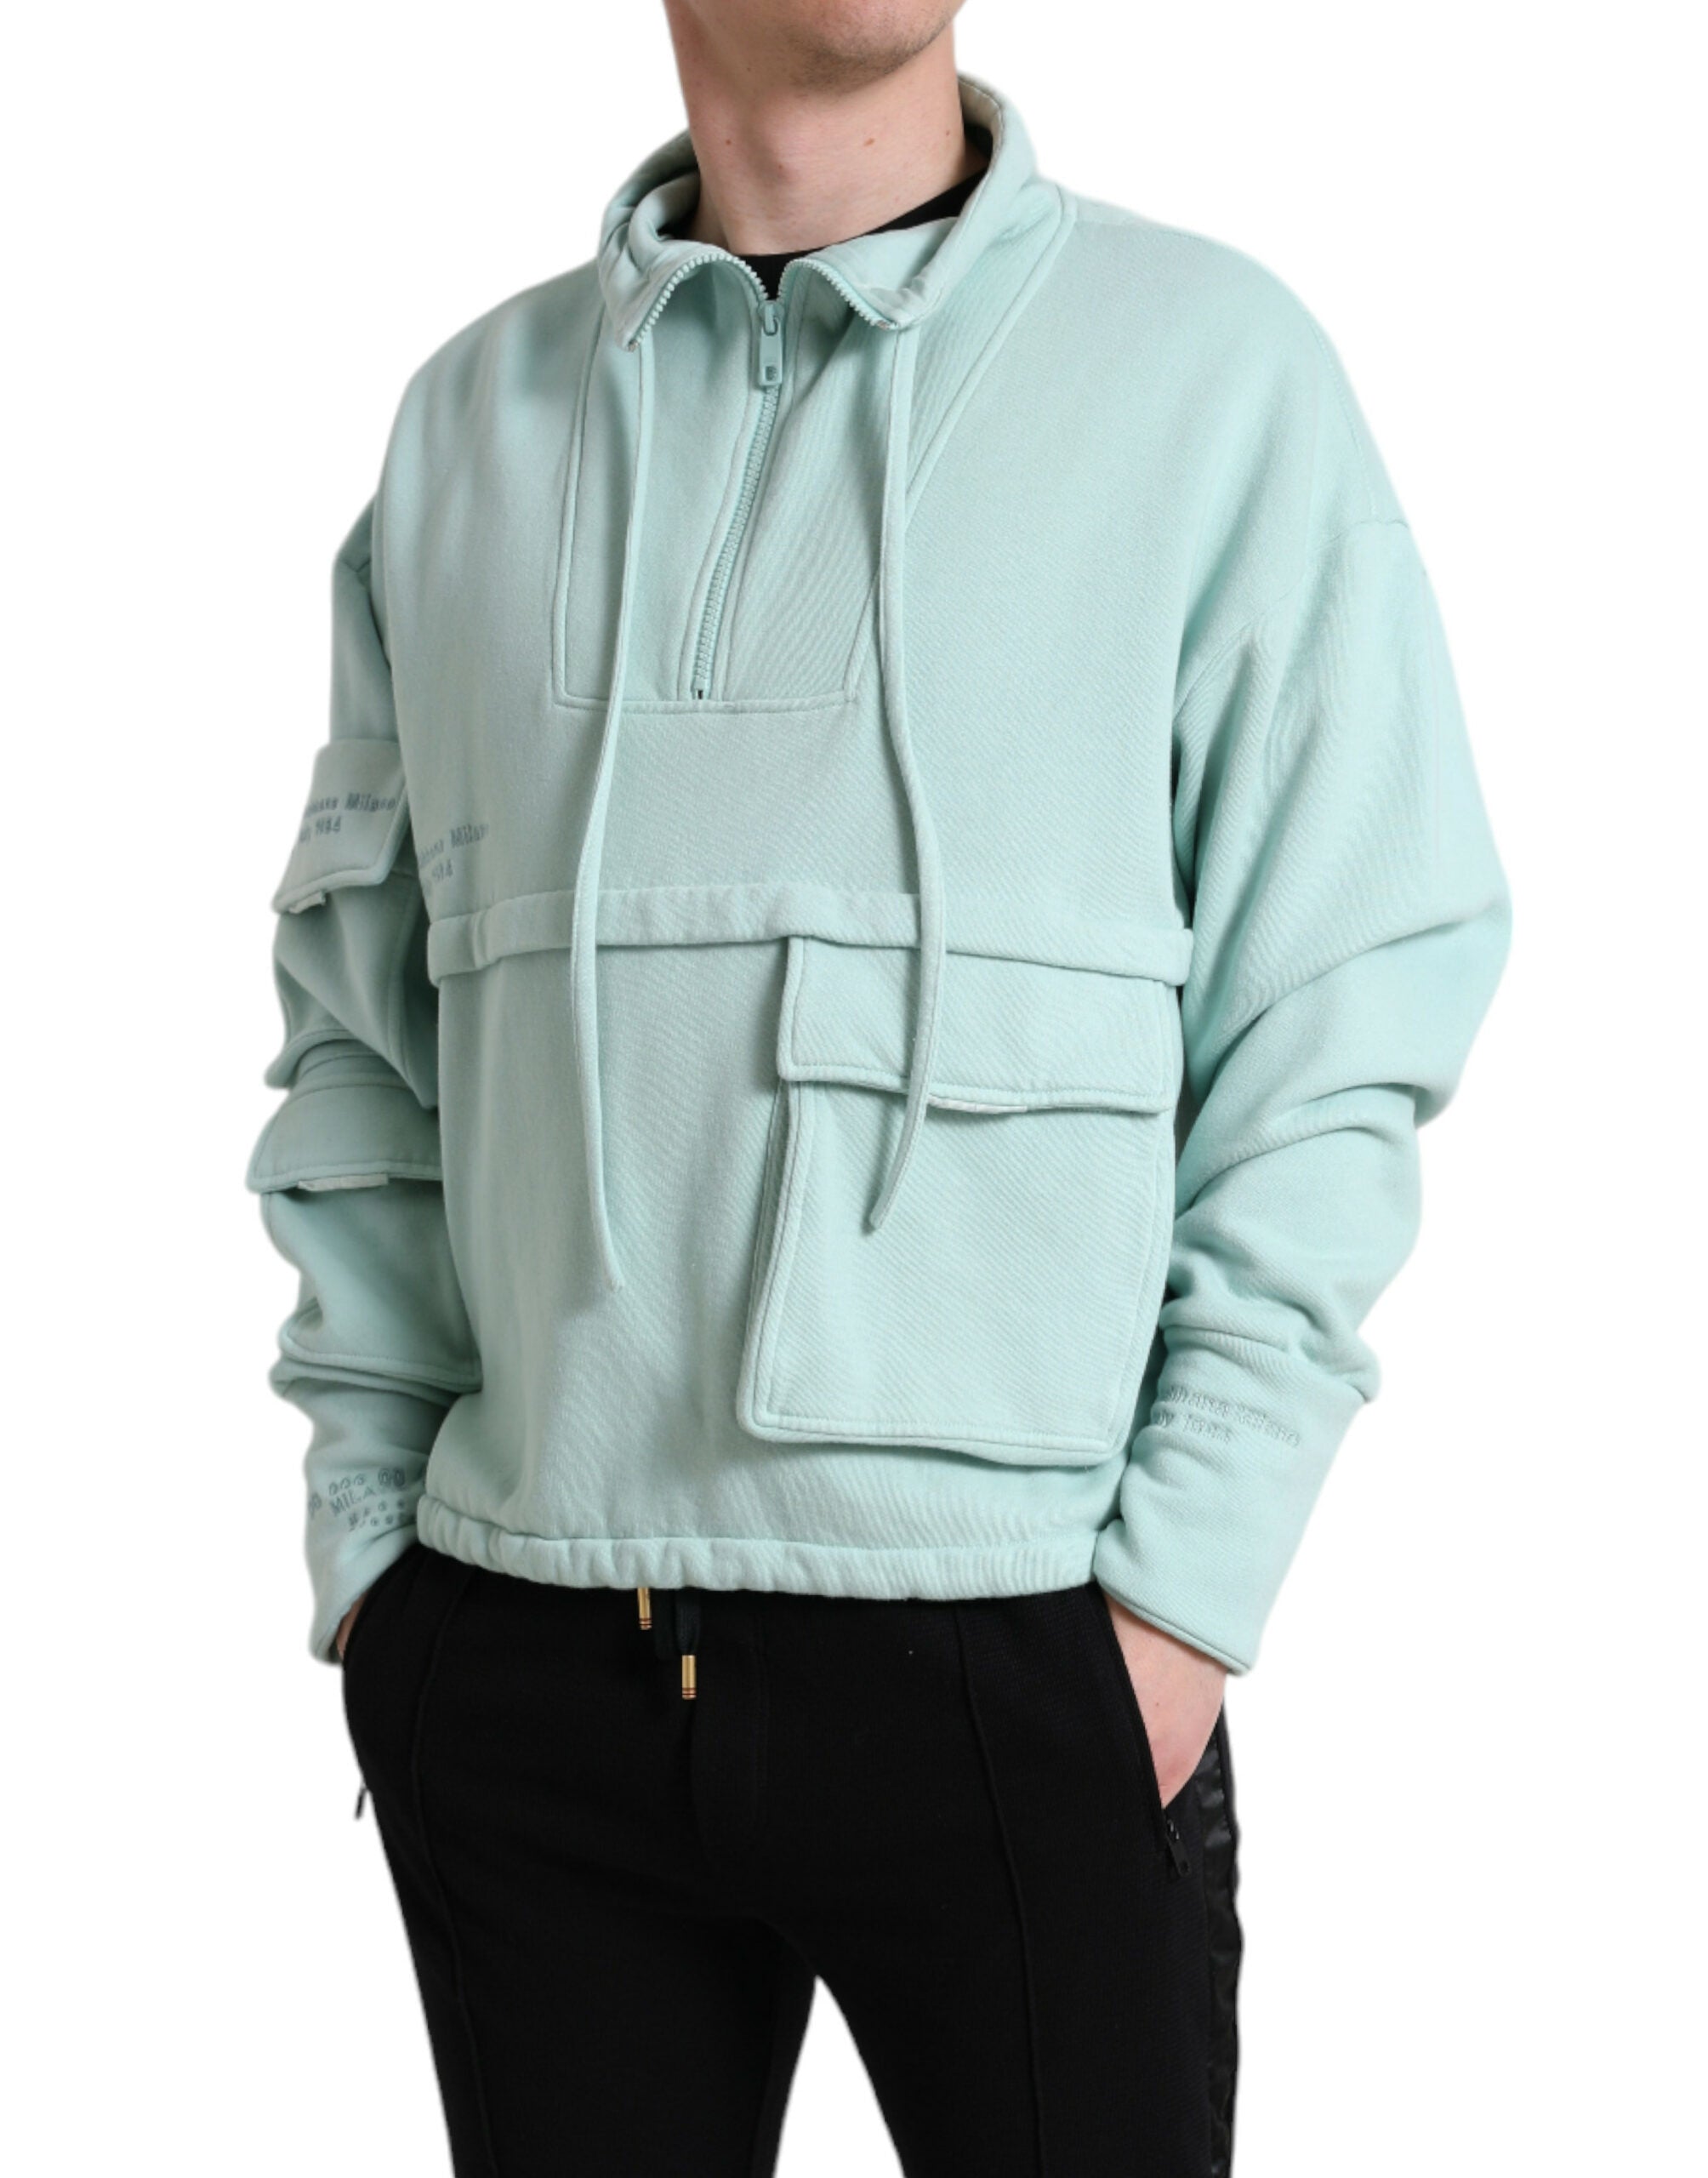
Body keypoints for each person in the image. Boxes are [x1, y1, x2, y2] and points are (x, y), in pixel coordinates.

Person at [246, 4, 1509, 2171]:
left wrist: (1174, 1599)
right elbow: (362, 1020)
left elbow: (1345, 993)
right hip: (526, 1639)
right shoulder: (464, 424)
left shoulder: (1210, 379)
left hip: (1022, 1644)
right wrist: (375, 1549)